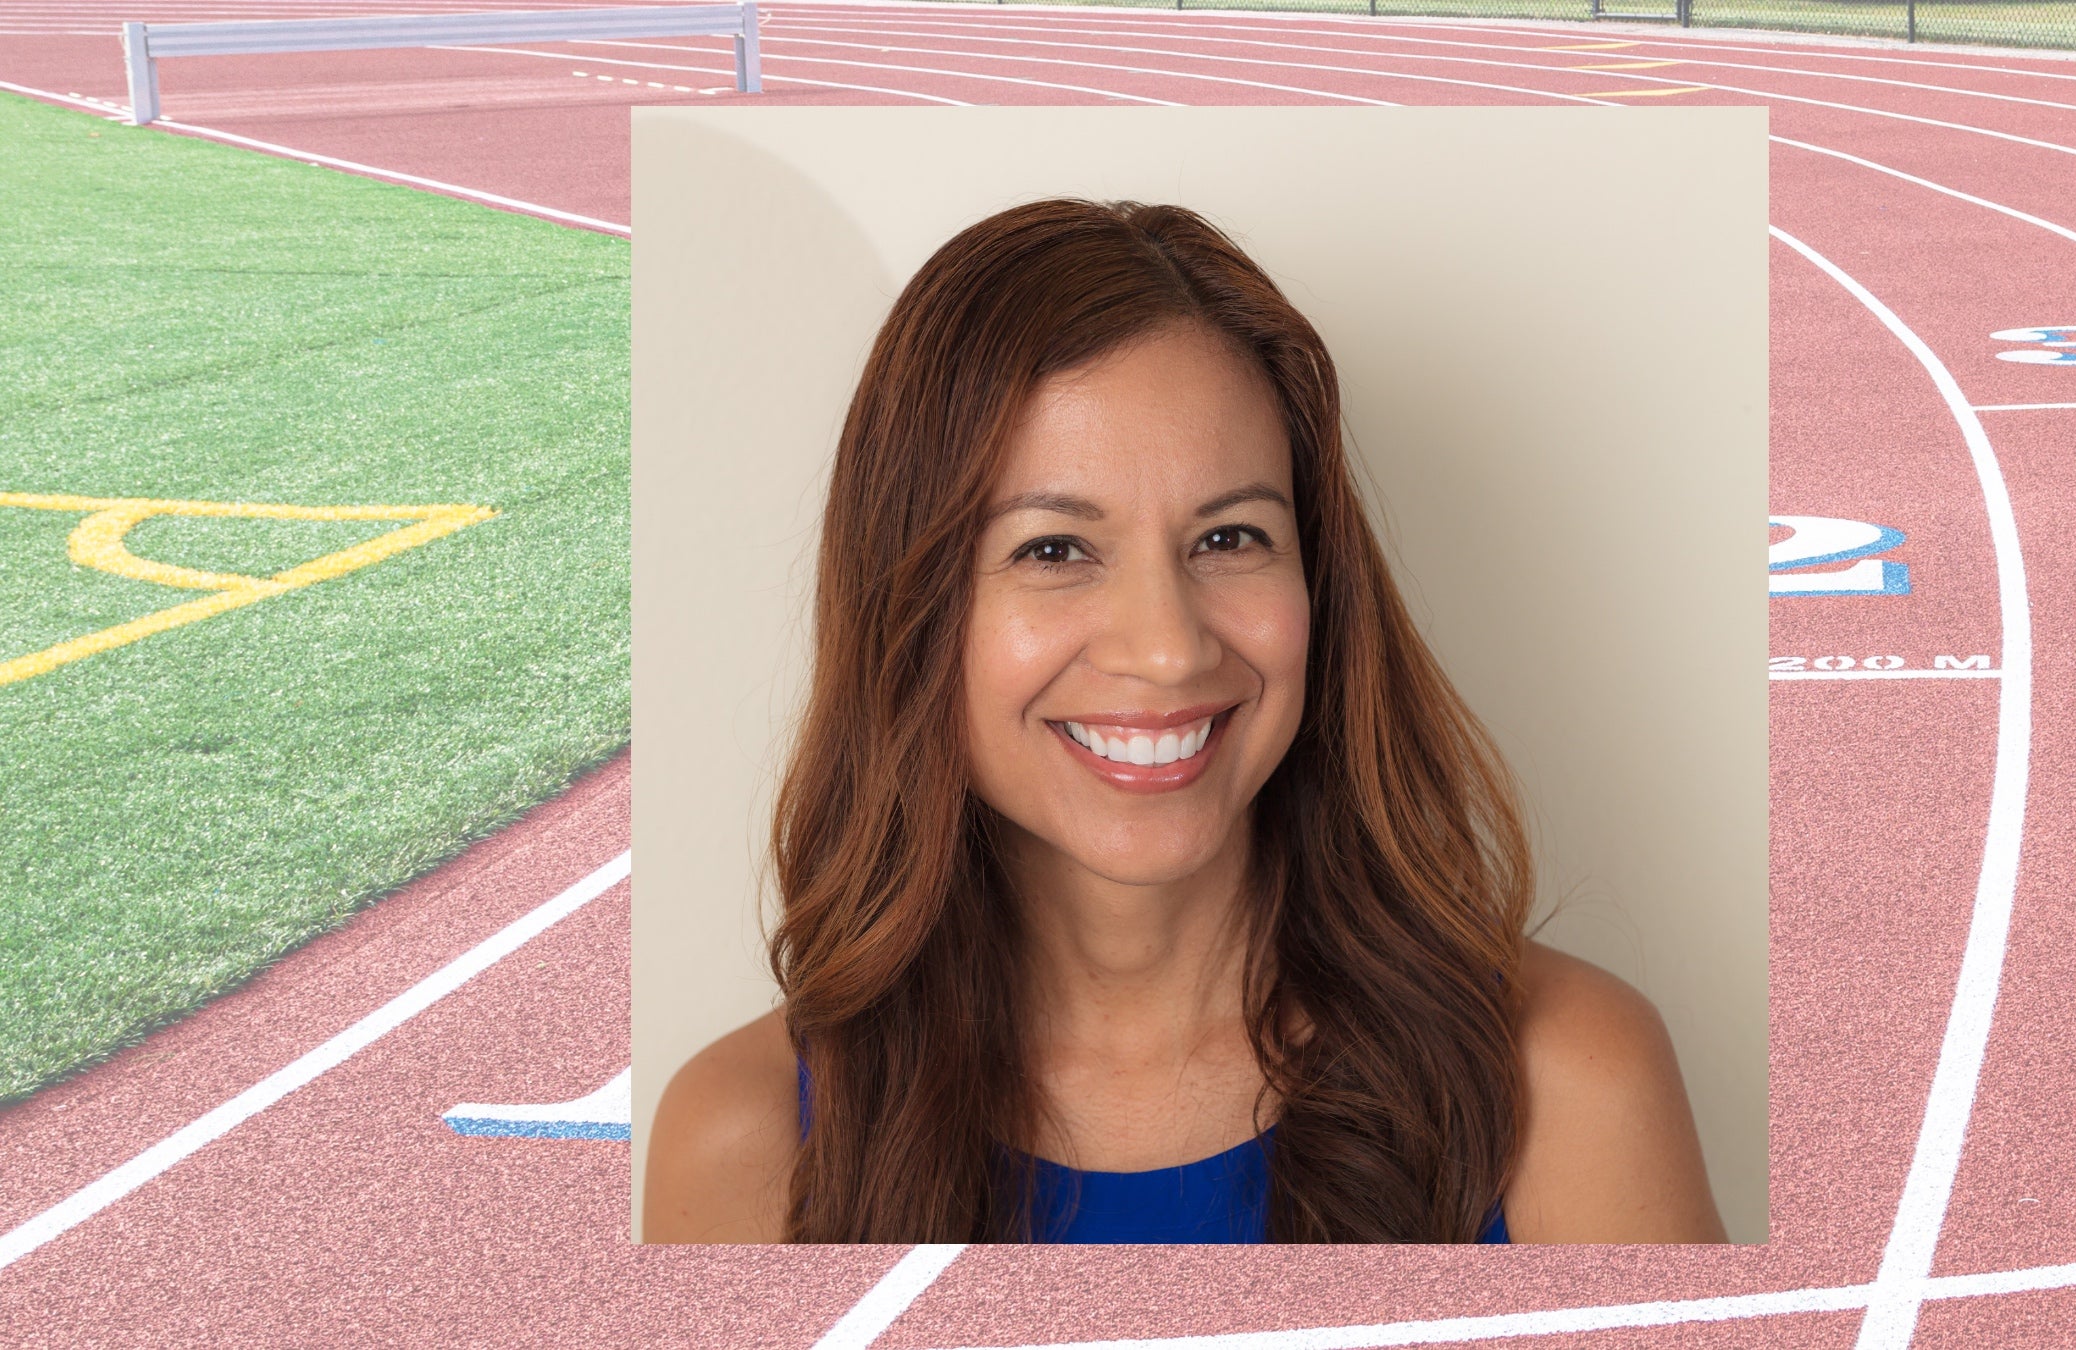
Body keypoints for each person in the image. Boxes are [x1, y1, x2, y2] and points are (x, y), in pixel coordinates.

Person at [645, 198, 1725, 1244]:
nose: (1166, 648)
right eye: (1054, 550)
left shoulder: (1570, 1080)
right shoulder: (738, 1147)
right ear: (910, 610)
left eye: (1230, 539)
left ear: (1318, 586)